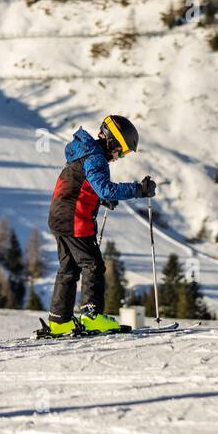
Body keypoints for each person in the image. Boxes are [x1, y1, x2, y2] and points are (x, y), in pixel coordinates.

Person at [45, 114, 155, 335]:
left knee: (68, 268)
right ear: (112, 141)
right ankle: (92, 316)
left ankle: (59, 321)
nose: (119, 157)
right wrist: (138, 190)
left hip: (59, 216)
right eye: (121, 151)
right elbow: (104, 187)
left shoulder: (84, 153)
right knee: (93, 265)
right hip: (75, 218)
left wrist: (100, 198)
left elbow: (84, 184)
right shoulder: (95, 157)